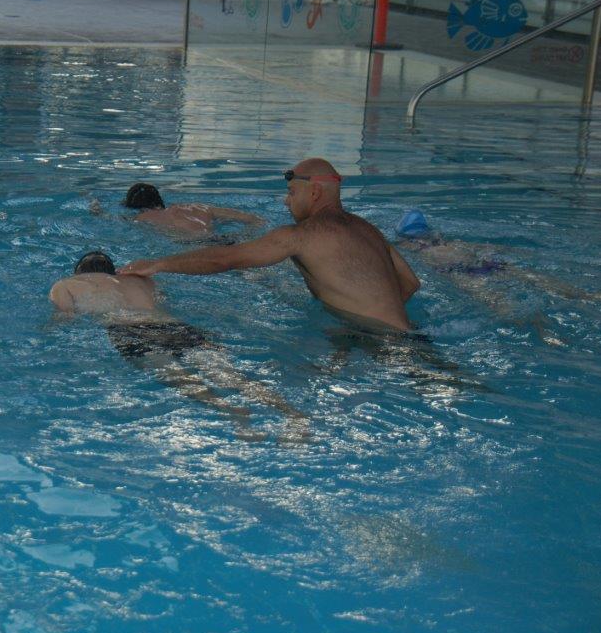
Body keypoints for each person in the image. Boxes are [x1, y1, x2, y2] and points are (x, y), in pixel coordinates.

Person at [121, 159, 421, 332]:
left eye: (292, 192)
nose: (286, 201)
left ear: (315, 193)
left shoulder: (301, 235)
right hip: (407, 335)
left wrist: (159, 264)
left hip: (379, 341)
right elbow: (410, 284)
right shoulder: (369, 230)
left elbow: (227, 259)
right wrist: (367, 313)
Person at [51, 251, 307, 436]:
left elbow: (65, 317)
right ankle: (291, 413)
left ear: (79, 273)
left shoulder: (66, 285)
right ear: (113, 270)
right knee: (230, 374)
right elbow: (162, 302)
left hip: (130, 331)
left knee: (179, 377)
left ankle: (233, 412)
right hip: (175, 326)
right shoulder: (141, 279)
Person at [394, 209, 601, 343]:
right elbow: (498, 249)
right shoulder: (453, 242)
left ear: (407, 238)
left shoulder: (413, 249)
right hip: (493, 266)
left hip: (463, 275)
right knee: (554, 286)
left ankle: (543, 331)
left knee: (504, 306)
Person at [119, 182, 263, 239]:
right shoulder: (198, 207)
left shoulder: (141, 218)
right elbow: (254, 219)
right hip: (224, 239)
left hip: (194, 247)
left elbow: (116, 221)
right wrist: (243, 235)